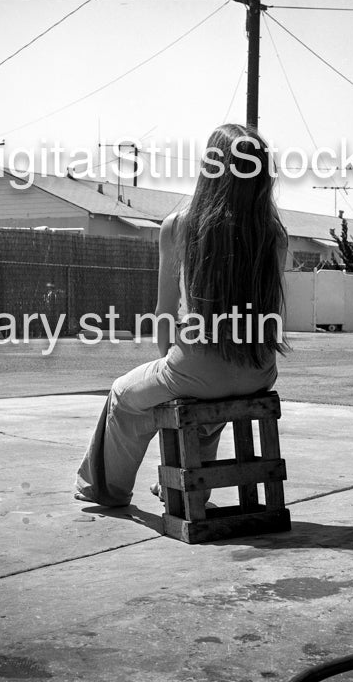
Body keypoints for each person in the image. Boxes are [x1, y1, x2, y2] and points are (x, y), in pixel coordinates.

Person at [74, 123, 287, 507]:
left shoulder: (180, 226)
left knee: (125, 394)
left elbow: (164, 313)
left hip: (198, 370)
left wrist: (171, 367)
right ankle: (185, 485)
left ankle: (106, 489)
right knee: (202, 394)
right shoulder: (274, 232)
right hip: (260, 370)